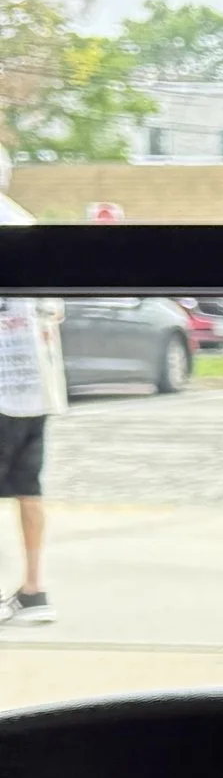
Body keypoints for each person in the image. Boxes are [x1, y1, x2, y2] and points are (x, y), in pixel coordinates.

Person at [0, 160, 65, 628]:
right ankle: (34, 589)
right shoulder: (26, 223)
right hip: (35, 386)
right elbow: (54, 309)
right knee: (28, 488)